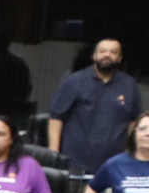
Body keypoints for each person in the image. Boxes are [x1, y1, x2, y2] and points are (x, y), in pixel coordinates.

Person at [49, 38, 142, 170]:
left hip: (114, 165)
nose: (107, 55)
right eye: (102, 51)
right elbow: (56, 118)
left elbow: (134, 121)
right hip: (75, 163)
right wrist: (54, 152)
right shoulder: (74, 81)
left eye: (113, 52)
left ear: (120, 58)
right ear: (94, 56)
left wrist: (130, 151)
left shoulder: (129, 84)